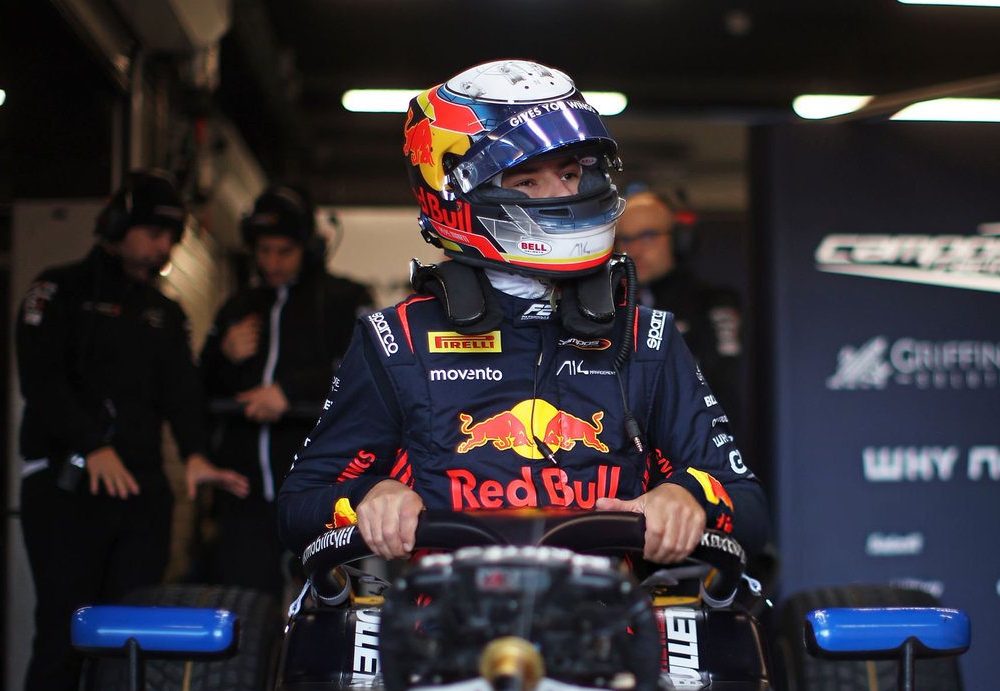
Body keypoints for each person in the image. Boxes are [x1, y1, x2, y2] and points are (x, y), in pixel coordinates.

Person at [278, 60, 768, 582]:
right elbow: (299, 504)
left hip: (606, 639)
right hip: (441, 641)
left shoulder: (645, 336)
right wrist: (369, 495)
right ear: (457, 195)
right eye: (529, 180)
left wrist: (686, 496)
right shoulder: (397, 340)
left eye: (570, 174)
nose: (563, 196)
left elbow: (748, 506)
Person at [15, 168, 249, 691]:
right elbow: (40, 380)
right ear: (117, 224)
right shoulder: (57, 291)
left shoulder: (163, 314)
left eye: (171, 237)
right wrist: (91, 444)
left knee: (131, 637)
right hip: (65, 486)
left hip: (141, 493)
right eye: (152, 233)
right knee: (64, 629)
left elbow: (183, 393)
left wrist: (194, 454)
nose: (162, 247)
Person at [200, 185, 373, 599]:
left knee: (336, 610)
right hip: (245, 495)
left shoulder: (345, 299)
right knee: (245, 612)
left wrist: (288, 392)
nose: (272, 262)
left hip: (326, 494)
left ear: (308, 248)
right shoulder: (237, 307)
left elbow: (365, 373)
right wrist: (222, 354)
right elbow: (193, 388)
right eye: (263, 251)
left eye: (284, 251)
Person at [614, 189, 745, 430]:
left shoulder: (713, 303)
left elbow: (728, 389)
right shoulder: (607, 308)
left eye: (648, 235)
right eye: (625, 239)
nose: (635, 250)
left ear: (678, 240)